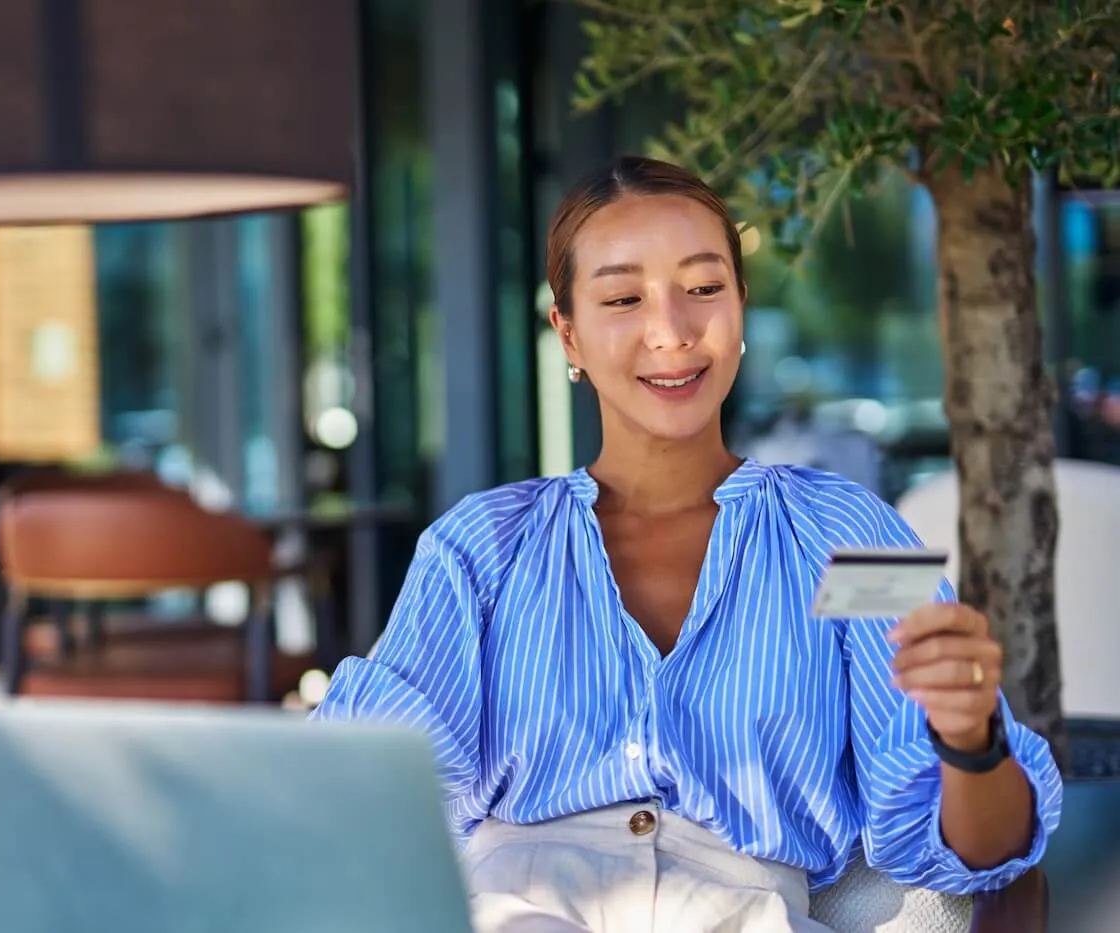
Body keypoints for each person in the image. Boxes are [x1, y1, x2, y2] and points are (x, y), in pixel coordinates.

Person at [311, 156, 1062, 933]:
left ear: (740, 306)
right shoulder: (481, 549)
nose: (670, 331)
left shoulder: (845, 535)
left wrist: (971, 737)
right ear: (568, 332)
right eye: (623, 297)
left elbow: (984, 852)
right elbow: (370, 788)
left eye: (703, 288)